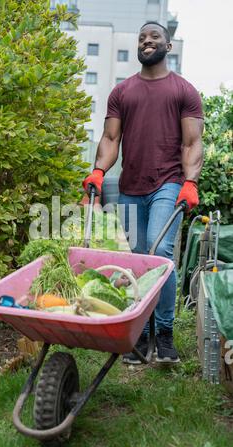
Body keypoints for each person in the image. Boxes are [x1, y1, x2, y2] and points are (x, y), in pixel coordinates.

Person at [82, 21, 204, 364]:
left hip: (168, 182)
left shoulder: (184, 90)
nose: (147, 42)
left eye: (154, 37)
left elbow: (193, 141)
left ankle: (164, 335)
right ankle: (143, 333)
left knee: (159, 252)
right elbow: (110, 139)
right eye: (142, 38)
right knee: (139, 259)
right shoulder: (123, 92)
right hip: (130, 187)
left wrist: (190, 181)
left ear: (167, 45)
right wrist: (98, 171)